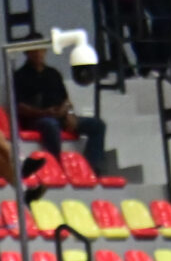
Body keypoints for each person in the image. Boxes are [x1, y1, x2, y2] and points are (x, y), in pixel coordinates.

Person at [13, 42, 109, 176]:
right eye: (34, 50)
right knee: (50, 125)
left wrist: (69, 114)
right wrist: (44, 112)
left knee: (98, 125)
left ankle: (91, 168)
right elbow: (19, 107)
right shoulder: (19, 76)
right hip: (37, 119)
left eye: (41, 50)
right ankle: (56, 165)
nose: (38, 53)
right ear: (27, 53)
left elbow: (66, 100)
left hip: (60, 116)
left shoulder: (53, 74)